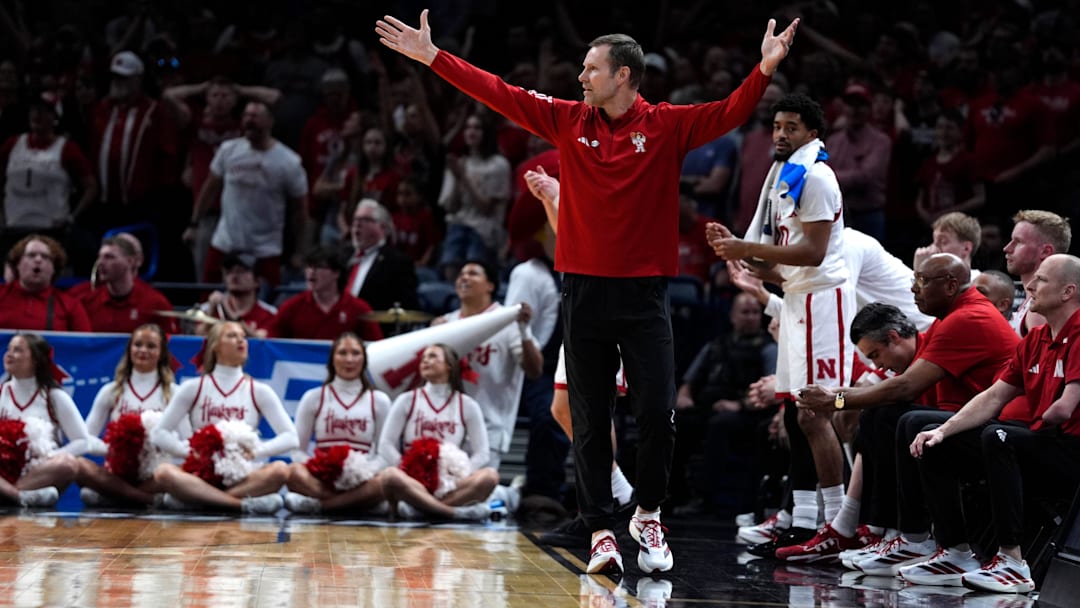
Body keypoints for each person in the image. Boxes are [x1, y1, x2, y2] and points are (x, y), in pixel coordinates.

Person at [376, 8, 798, 576]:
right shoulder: (567, 119)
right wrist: (432, 58)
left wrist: (764, 70)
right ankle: (601, 529)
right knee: (589, 418)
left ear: (623, 75)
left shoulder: (668, 124)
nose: (581, 77)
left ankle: (647, 514)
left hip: (646, 295)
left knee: (655, 416)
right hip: (583, 292)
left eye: (591, 69)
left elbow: (729, 112)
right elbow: (498, 92)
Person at [796, 254, 1020, 572]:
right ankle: (895, 534)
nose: (914, 289)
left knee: (903, 418)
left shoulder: (967, 318)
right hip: (976, 421)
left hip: (1000, 428)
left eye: (923, 281)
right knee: (884, 417)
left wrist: (837, 400)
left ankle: (925, 542)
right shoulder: (951, 318)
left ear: (951, 284)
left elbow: (903, 389)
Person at [706, 92, 854, 558]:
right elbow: (778, 260)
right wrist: (739, 254)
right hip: (796, 299)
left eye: (792, 127)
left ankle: (837, 523)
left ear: (812, 134)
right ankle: (803, 521)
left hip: (823, 301)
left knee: (815, 412)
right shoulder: (779, 176)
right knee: (793, 414)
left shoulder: (818, 177)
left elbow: (811, 253)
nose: (781, 135)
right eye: (776, 126)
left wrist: (750, 256)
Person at [907, 254, 1080, 593]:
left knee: (1000, 436)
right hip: (1042, 441)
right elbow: (992, 397)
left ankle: (1012, 562)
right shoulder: (1035, 339)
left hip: (1071, 449)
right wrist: (942, 431)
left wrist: (1031, 421)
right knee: (934, 440)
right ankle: (954, 551)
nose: (1029, 286)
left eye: (1042, 280)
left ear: (1067, 291)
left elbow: (1066, 407)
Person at [149, 321, 296, 514]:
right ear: (215, 345)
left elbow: (291, 437)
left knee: (281, 470)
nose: (241, 340)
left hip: (243, 473)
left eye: (243, 336)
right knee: (163, 473)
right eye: (232, 336)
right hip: (201, 473)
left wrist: (256, 451)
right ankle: (240, 504)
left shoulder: (259, 390)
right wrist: (187, 451)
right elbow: (159, 433)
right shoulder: (194, 387)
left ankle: (200, 500)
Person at [161, 76, 282, 281]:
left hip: (243, 213)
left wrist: (241, 89)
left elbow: (275, 97)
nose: (220, 100)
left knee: (244, 274)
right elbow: (168, 96)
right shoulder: (195, 124)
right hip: (207, 213)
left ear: (235, 101)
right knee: (206, 275)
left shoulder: (245, 126)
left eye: (225, 96)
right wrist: (200, 87)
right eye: (215, 96)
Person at [183, 100, 308, 288]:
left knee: (265, 306)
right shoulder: (228, 150)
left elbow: (300, 211)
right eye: (246, 116)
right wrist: (194, 223)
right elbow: (209, 190)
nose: (250, 121)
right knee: (208, 299)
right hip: (226, 241)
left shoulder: (288, 161)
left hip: (265, 248)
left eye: (255, 116)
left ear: (270, 122)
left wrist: (300, 250)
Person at [432, 261, 543, 470]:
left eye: (473, 273)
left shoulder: (507, 321)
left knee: (475, 492)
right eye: (461, 274)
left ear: (490, 285)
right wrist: (431, 339)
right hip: (448, 423)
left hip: (490, 424)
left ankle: (509, 495)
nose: (463, 278)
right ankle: (508, 494)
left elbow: (535, 370)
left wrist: (524, 331)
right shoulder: (445, 323)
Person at [377, 343, 499, 521]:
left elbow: (482, 453)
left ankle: (420, 509)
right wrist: (407, 467)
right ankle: (452, 513)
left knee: (490, 476)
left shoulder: (467, 404)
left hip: (450, 483)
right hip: (414, 480)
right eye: (424, 357)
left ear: (449, 365)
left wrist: (459, 475)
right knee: (389, 476)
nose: (425, 360)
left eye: (433, 356)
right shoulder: (407, 400)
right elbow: (385, 444)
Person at [77, 324, 184, 506]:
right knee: (78, 465)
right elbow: (86, 439)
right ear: (129, 350)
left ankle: (116, 497)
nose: (143, 350)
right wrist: (115, 449)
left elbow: (186, 443)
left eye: (151, 346)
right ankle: (147, 500)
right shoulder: (111, 391)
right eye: (138, 344)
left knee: (174, 473)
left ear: (161, 353)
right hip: (118, 472)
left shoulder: (174, 393)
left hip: (156, 474)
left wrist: (154, 450)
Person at [284, 333, 391, 514]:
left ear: (364, 360)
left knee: (388, 479)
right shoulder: (314, 397)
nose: (349, 359)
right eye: (342, 353)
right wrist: (318, 468)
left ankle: (322, 506)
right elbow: (296, 450)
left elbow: (385, 453)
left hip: (362, 478)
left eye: (356, 353)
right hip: (323, 478)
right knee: (292, 472)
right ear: (332, 359)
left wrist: (364, 472)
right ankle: (355, 504)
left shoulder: (378, 400)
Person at [0, 92, 98, 273]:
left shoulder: (67, 148)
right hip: (13, 230)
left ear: (56, 117)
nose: (38, 115)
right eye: (35, 110)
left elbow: (91, 187)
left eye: (45, 111)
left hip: (51, 232)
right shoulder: (12, 144)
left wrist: (71, 217)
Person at [0, 333, 92, 507]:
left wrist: (47, 456)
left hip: (39, 472)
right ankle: (18, 497)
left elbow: (83, 441)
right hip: (3, 471)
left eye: (18, 350)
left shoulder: (54, 396)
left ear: (36, 359)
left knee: (68, 465)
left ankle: (9, 495)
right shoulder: (1, 392)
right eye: (9, 349)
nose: (9, 354)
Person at [268, 246, 383, 342]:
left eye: (319, 267)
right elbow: (271, 343)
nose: (311, 272)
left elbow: (376, 348)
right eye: (309, 267)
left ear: (336, 273)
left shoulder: (359, 308)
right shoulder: (291, 307)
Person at [78, 235, 179, 334]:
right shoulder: (87, 301)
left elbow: (173, 345)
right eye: (99, 257)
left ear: (130, 261)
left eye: (109, 257)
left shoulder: (156, 303)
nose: (100, 262)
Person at [0, 234, 90, 331]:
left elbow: (85, 343)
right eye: (31, 255)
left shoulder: (70, 305)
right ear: (18, 264)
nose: (38, 260)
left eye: (45, 257)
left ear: (54, 268)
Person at [1004, 210, 1072, 336]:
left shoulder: (1040, 309)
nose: (1007, 248)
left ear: (1045, 251)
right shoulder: (1034, 302)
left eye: (1018, 242)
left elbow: (1047, 355)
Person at [344, 198, 419, 312]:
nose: (357, 224)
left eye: (365, 219)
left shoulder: (397, 262)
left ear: (383, 227)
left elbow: (408, 307)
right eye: (355, 219)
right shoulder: (342, 255)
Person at [196, 252, 277, 337]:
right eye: (229, 272)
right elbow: (197, 339)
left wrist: (229, 312)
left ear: (257, 281)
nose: (234, 276)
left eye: (241, 271)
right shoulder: (208, 309)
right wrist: (211, 314)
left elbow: (260, 343)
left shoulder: (270, 314)